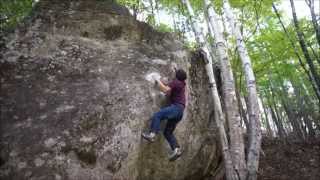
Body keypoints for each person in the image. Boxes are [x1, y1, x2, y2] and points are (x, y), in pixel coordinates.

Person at [142, 69, 187, 161]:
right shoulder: (181, 84)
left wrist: (157, 80)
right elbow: (168, 91)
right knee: (167, 132)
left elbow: (166, 89)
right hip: (180, 112)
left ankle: (152, 134)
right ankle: (176, 149)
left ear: (177, 76)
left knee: (158, 115)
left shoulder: (176, 82)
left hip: (176, 108)